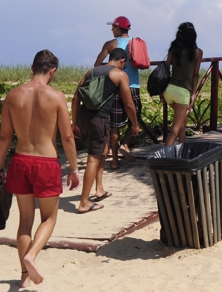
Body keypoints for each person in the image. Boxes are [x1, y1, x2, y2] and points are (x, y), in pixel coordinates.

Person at [0, 49, 80, 288]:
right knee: (50, 217)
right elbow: (67, 136)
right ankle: (32, 255)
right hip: (45, 163)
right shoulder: (56, 96)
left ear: (32, 68)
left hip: (20, 161)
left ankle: (24, 277)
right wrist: (74, 168)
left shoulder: (13, 96)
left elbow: (4, 137)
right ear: (52, 71)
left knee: (24, 221)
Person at [72, 48, 139, 214]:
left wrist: (75, 123)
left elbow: (75, 98)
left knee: (104, 149)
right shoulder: (120, 75)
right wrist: (134, 124)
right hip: (99, 119)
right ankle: (84, 202)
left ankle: (99, 188)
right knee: (93, 158)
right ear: (122, 61)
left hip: (84, 116)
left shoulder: (91, 72)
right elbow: (129, 104)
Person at [94, 16, 142, 169]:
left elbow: (97, 64)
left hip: (114, 86)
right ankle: (126, 144)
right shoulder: (136, 42)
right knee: (135, 117)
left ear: (117, 27)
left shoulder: (110, 44)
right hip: (133, 84)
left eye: (113, 27)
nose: (111, 30)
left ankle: (114, 161)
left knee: (114, 125)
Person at [163, 22, 203, 146]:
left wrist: (161, 90)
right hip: (183, 91)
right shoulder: (197, 52)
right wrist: (193, 94)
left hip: (168, 90)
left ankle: (181, 150)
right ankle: (163, 156)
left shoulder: (174, 49)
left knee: (182, 121)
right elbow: (195, 75)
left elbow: (165, 69)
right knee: (175, 128)